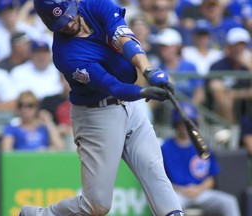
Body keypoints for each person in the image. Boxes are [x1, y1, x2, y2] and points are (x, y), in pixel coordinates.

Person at [19, 0, 184, 216]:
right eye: (59, 21)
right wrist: (143, 92)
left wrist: (148, 70)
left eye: (69, 15)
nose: (67, 23)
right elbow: (111, 85)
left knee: (154, 171)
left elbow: (123, 37)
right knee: (97, 205)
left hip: (131, 108)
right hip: (96, 116)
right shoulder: (65, 54)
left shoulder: (95, 3)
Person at [161, 102, 241, 216]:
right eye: (182, 123)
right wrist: (183, 190)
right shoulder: (166, 147)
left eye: (190, 123)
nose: (185, 126)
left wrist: (198, 189)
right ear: (176, 124)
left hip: (201, 192)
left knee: (229, 202)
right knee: (172, 208)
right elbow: (161, 180)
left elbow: (211, 178)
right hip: (177, 193)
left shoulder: (202, 145)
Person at [207, 27, 252, 124]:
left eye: (242, 45)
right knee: (224, 100)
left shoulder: (248, 66)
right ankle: (230, 130)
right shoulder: (218, 65)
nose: (238, 49)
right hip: (223, 109)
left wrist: (249, 67)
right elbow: (216, 88)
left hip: (247, 108)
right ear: (228, 46)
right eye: (235, 45)